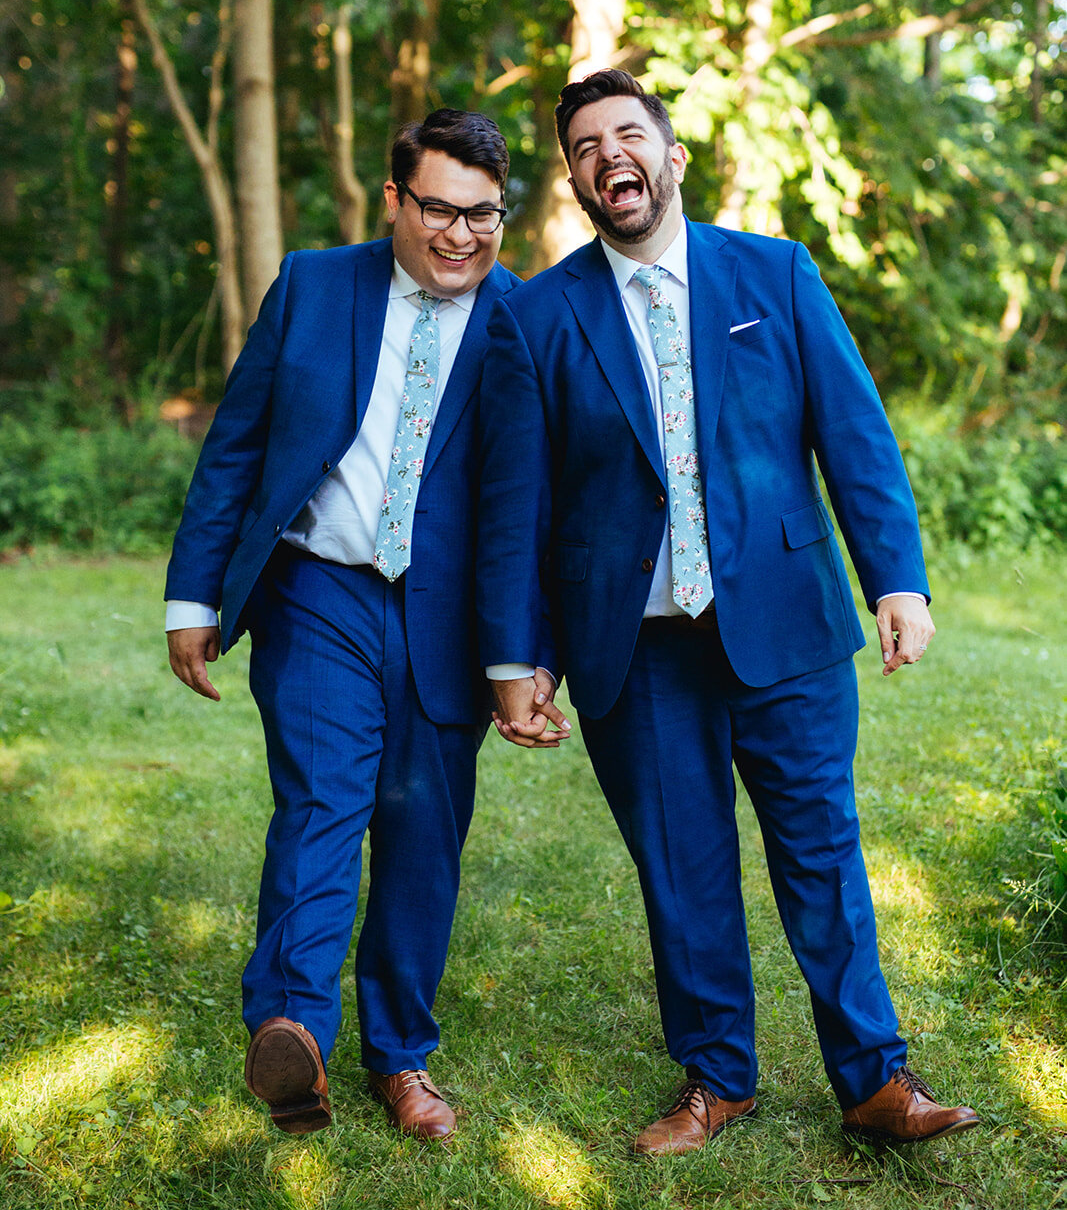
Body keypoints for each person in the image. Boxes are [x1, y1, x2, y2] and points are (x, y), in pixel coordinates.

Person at [477, 69, 979, 1156]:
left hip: (786, 626)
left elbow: (853, 433)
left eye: (626, 135)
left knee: (821, 854)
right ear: (571, 178)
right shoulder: (538, 314)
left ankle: (874, 1078)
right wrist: (517, 654)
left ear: (670, 157)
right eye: (582, 146)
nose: (608, 156)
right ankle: (716, 1078)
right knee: (681, 867)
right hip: (636, 646)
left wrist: (895, 579)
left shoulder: (775, 272)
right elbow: (517, 500)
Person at [166, 109, 545, 1141]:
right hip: (318, 590)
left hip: (447, 617)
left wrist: (522, 653)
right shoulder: (312, 285)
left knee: (423, 831)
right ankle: (292, 1031)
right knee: (322, 801)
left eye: (483, 216)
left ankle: (400, 1057)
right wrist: (193, 597)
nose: (461, 235)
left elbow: (524, 503)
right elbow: (238, 445)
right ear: (393, 201)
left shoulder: (523, 318)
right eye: (439, 210)